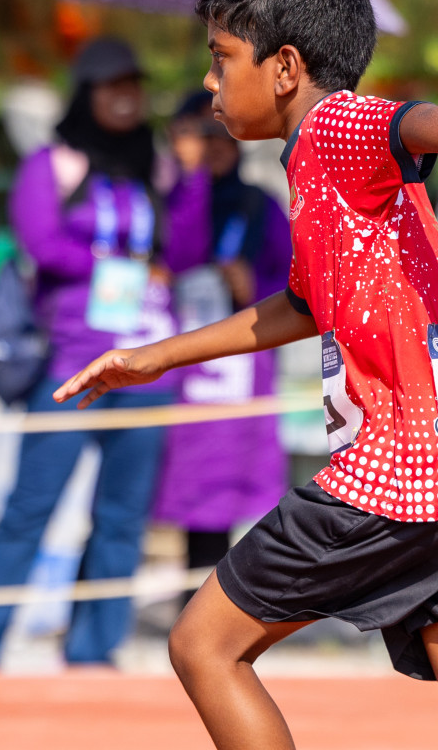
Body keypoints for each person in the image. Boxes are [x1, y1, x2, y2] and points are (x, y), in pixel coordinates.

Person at [54, 0, 438, 749]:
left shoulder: (334, 126)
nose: (211, 86)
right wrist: (158, 355)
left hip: (404, 465)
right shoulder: (315, 173)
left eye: (221, 61)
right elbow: (303, 306)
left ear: (285, 67)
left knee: (203, 646)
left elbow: (411, 121)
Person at [0, 37, 210, 666]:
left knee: (122, 518)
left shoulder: (158, 164)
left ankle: (93, 653)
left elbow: (187, 254)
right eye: (111, 83)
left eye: (134, 84)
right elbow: (41, 244)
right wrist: (116, 265)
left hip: (145, 366)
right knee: (29, 509)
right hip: (70, 362)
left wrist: (191, 175)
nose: (125, 95)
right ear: (86, 90)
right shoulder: (51, 163)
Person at [151, 92, 292, 582]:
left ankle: (221, 605)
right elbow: (177, 254)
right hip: (179, 362)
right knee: (182, 486)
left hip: (240, 365)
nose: (211, 150)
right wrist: (192, 183)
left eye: (220, 139)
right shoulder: (171, 200)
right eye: (199, 139)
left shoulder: (261, 205)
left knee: (232, 485)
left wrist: (254, 287)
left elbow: (297, 284)